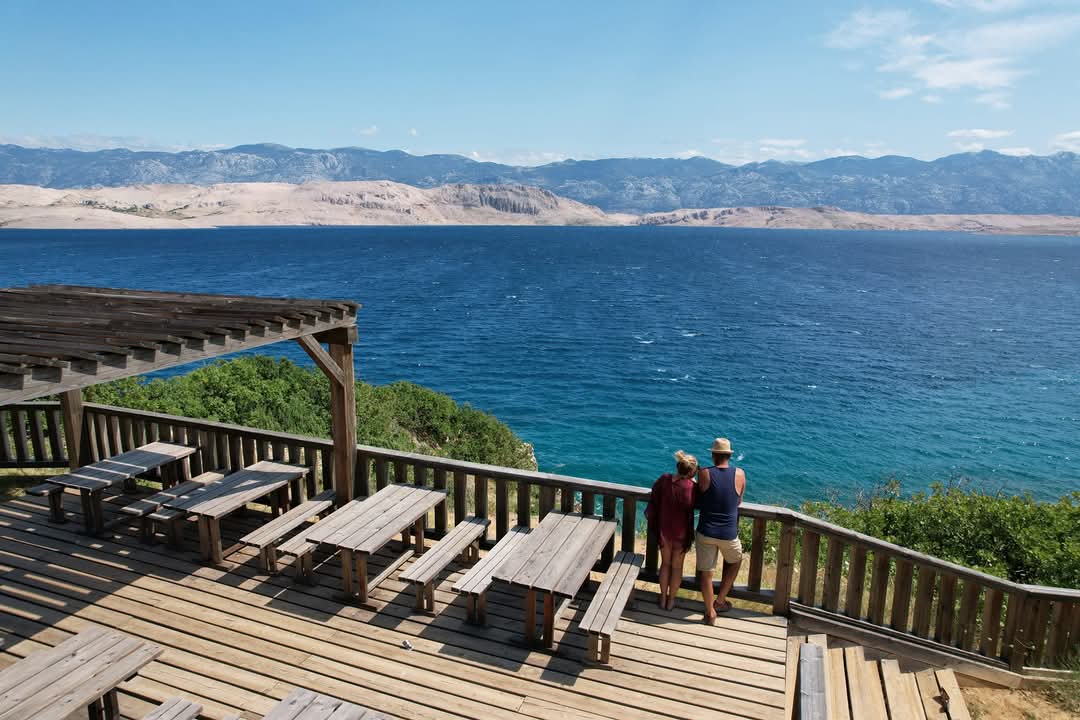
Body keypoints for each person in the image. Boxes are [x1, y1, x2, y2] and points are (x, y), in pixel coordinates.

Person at [696, 437, 746, 624]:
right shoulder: (740, 474)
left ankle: (710, 612)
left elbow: (699, 495)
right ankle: (720, 600)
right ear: (729, 455)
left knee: (706, 573)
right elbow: (738, 501)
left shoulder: (704, 473)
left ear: (713, 455)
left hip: (706, 531)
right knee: (735, 560)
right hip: (728, 533)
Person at [647, 450, 699, 610]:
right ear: (691, 472)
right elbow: (697, 502)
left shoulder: (665, 479)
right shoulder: (692, 487)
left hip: (664, 531)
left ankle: (662, 598)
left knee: (665, 565)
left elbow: (654, 494)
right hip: (682, 533)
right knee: (677, 568)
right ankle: (671, 601)